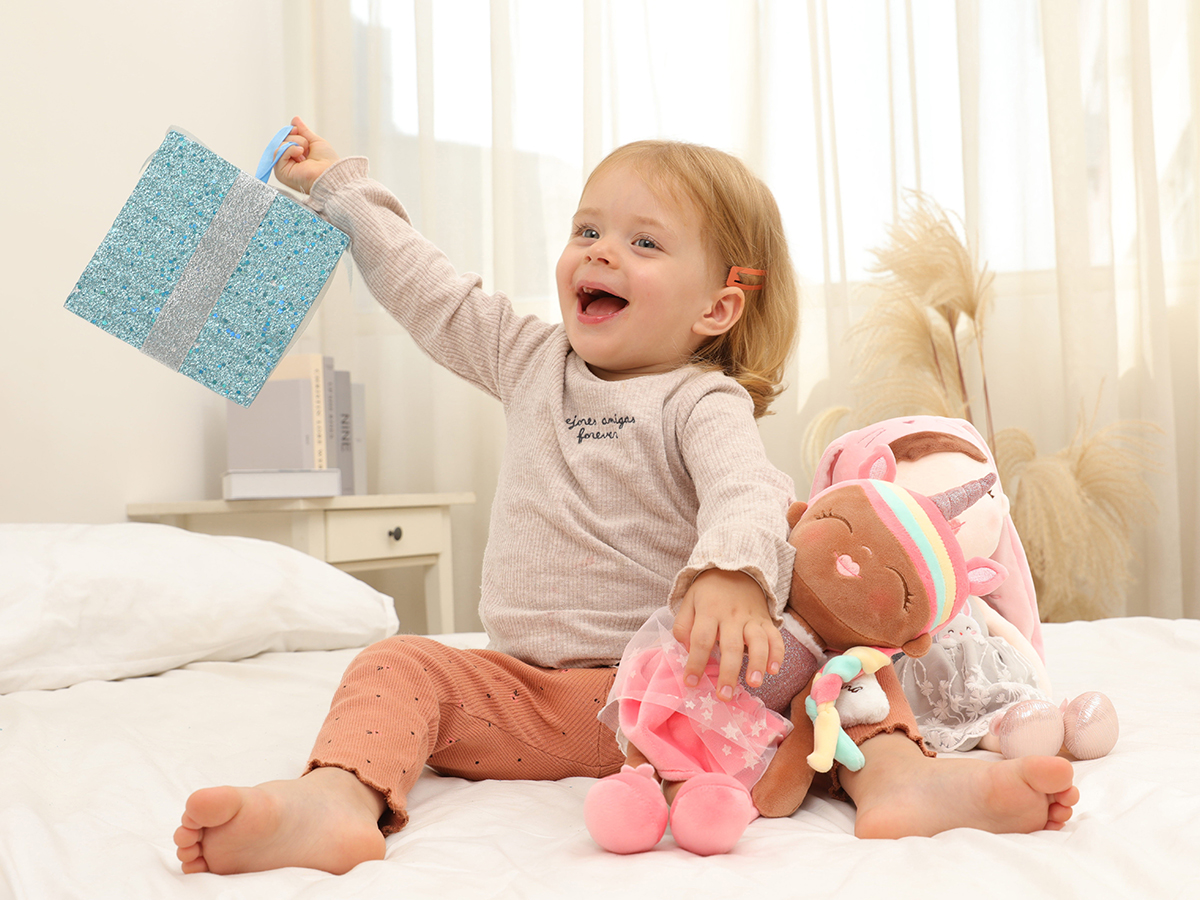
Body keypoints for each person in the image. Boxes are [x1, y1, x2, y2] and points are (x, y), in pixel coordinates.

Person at [173, 119, 1078, 876]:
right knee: (396, 664)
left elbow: (745, 493)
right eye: (587, 230)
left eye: (645, 242)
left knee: (848, 658)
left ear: (716, 309)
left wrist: (732, 574)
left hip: (690, 690)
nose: (601, 251)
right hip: (541, 700)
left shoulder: (701, 400)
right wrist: (338, 189)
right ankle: (338, 800)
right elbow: (428, 289)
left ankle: (899, 780)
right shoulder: (527, 359)